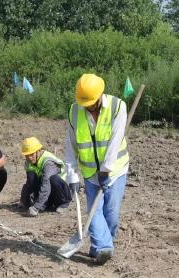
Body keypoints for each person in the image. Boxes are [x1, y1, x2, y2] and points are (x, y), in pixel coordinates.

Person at [65, 73, 129, 265]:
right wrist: (72, 175)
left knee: (112, 212)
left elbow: (115, 140)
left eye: (91, 102)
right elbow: (70, 146)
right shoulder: (74, 112)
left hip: (115, 169)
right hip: (90, 172)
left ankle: (100, 245)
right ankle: (103, 247)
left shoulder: (118, 107)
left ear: (101, 94)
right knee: (94, 211)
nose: (88, 107)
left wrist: (106, 169)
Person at [19, 137, 72, 217]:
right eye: (27, 155)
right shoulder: (28, 163)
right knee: (31, 176)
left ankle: (63, 204)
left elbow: (46, 184)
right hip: (47, 192)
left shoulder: (48, 163)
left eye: (32, 154)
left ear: (38, 151)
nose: (29, 157)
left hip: (60, 192)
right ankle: (45, 205)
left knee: (53, 179)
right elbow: (29, 183)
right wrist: (24, 201)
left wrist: (36, 207)